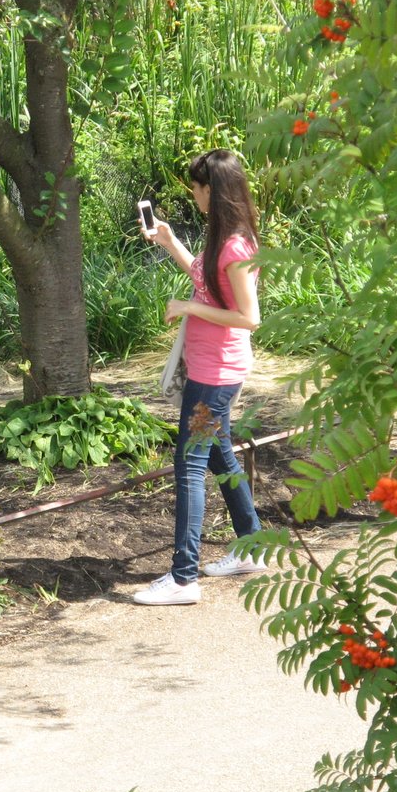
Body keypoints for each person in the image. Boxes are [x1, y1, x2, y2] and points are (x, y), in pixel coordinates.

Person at [132, 148, 267, 606]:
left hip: (215, 375)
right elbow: (207, 280)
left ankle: (184, 576)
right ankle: (252, 546)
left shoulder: (235, 245)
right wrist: (170, 242)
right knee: (218, 456)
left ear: (214, 189)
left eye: (197, 185)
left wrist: (187, 306)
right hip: (211, 369)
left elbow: (250, 317)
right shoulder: (222, 237)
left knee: (189, 464)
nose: (194, 193)